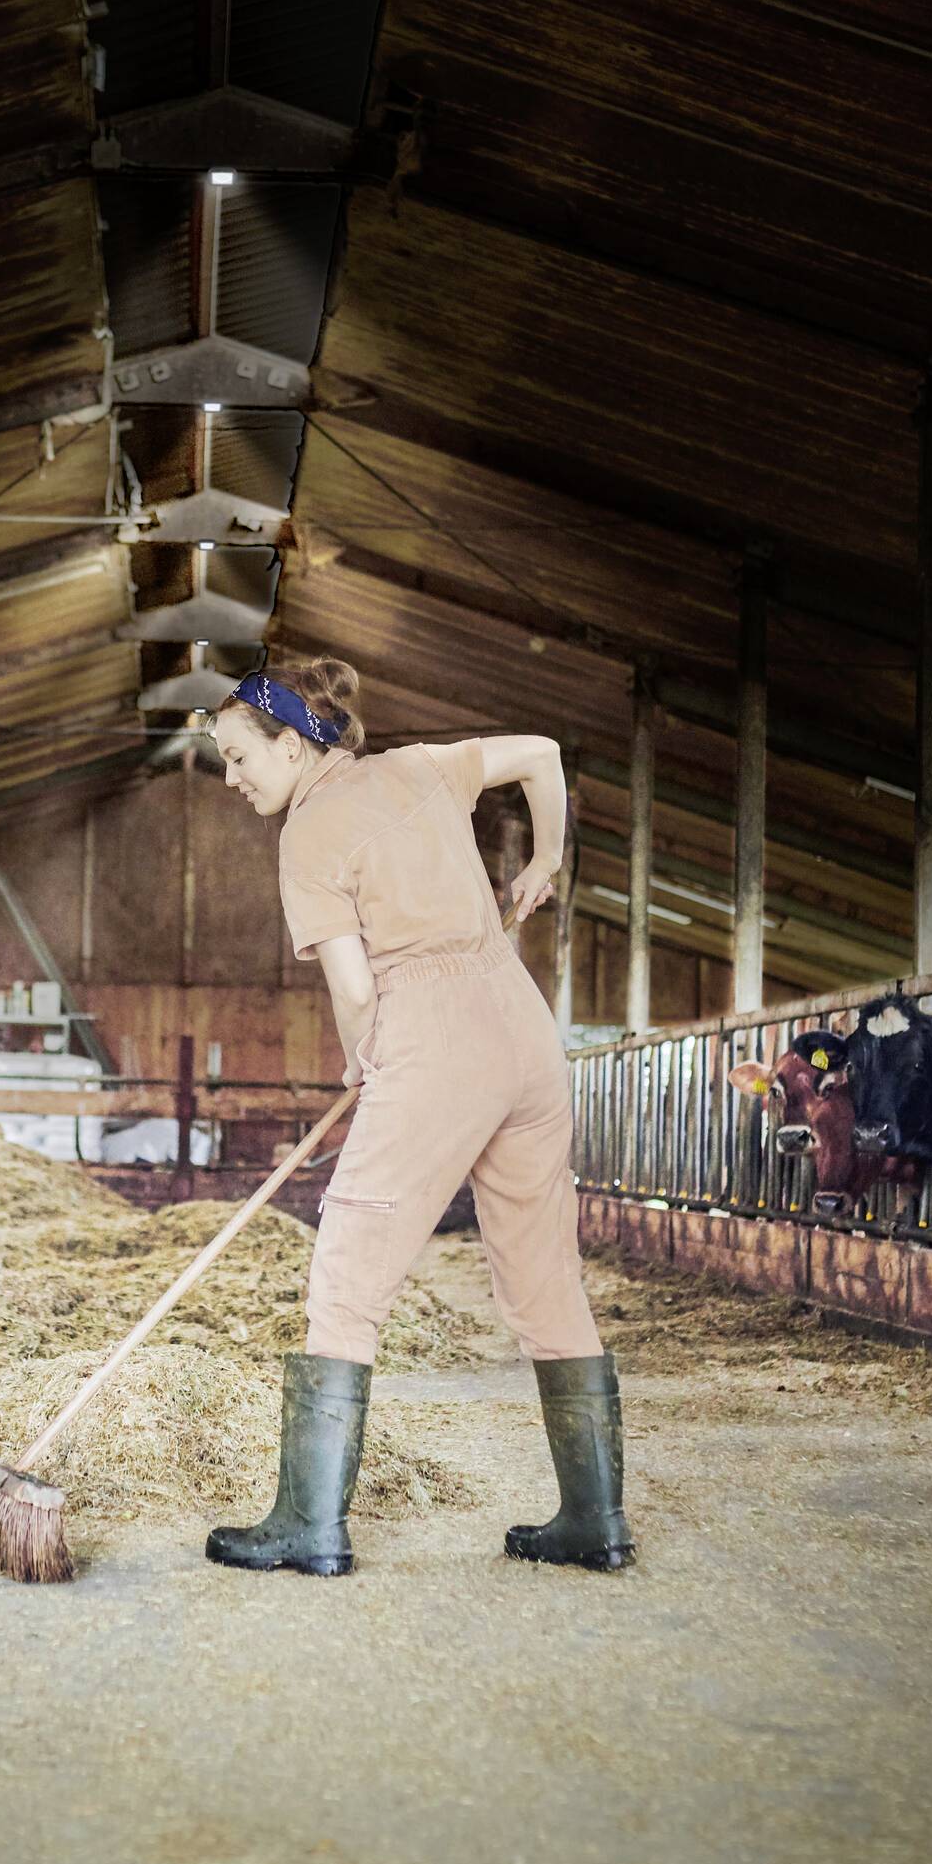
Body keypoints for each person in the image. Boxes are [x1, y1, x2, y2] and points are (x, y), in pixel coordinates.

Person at [201, 657, 631, 1577]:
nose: (233, 780)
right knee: (545, 1277)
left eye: (239, 759)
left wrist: (368, 1054)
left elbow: (355, 987)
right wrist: (548, 859)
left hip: (431, 1032)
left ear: (292, 743)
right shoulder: (423, 766)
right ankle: (595, 1522)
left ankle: (308, 1525)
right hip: (522, 1025)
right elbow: (543, 753)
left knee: (349, 1269)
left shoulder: (308, 835)